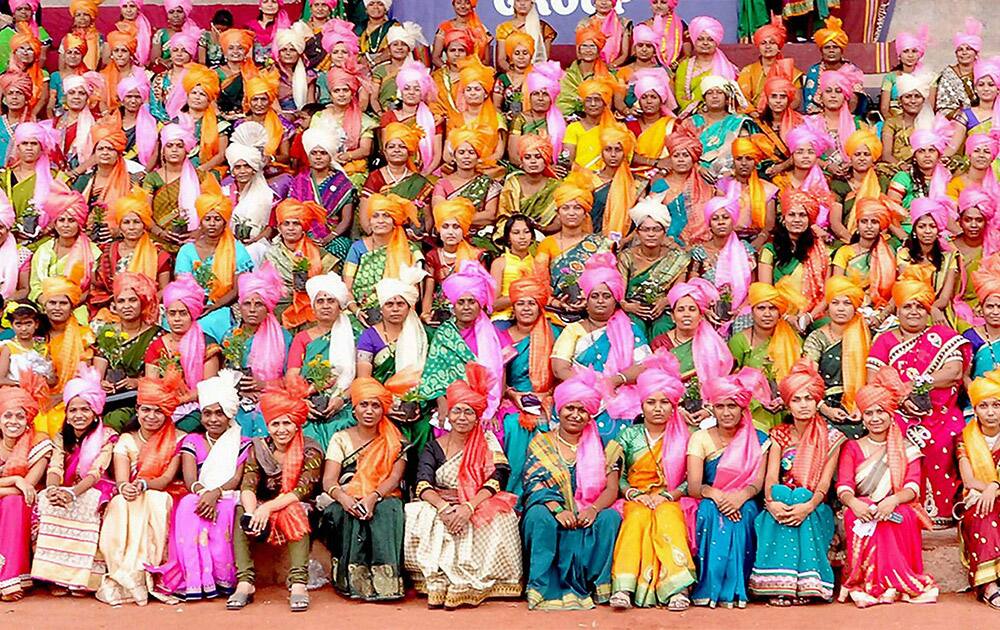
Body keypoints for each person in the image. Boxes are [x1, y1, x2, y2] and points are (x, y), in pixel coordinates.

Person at [404, 362, 522, 607]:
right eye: (457, 411)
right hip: (443, 502)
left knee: (502, 517)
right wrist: (444, 508)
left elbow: (499, 475)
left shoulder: (487, 441)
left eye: (469, 412)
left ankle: (477, 582)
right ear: (448, 414)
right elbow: (422, 482)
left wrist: (469, 506)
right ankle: (438, 579)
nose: (462, 417)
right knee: (418, 512)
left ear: (477, 416)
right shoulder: (434, 445)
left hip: (477, 500)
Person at [867, 266, 971, 527]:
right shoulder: (884, 341)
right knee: (894, 436)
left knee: (946, 436)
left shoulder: (943, 336)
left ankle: (944, 510)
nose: (913, 312)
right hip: (897, 412)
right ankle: (905, 510)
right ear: (898, 310)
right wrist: (901, 399)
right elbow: (874, 382)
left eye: (920, 307)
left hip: (942, 412)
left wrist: (916, 383)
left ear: (928, 311)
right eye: (907, 306)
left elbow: (954, 372)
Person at [522, 369, 623, 610]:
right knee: (537, 515)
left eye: (582, 410)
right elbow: (534, 484)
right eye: (570, 408)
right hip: (553, 514)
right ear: (560, 409)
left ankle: (597, 584)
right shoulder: (542, 442)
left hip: (588, 515)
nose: (576, 415)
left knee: (610, 517)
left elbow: (612, 489)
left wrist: (593, 510)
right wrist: (558, 510)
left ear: (590, 415)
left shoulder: (605, 446)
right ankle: (540, 586)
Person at [837, 366, 938, 607]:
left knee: (896, 515)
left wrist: (892, 500)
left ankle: (892, 583)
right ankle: (870, 583)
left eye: (880, 412)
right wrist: (854, 503)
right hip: (862, 507)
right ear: (862, 416)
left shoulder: (907, 448)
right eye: (869, 413)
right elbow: (844, 485)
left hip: (897, 506)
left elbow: (913, 487)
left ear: (891, 414)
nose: (875, 418)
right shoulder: (852, 447)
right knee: (858, 516)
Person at [749, 359, 845, 605]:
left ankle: (805, 586)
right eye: (796, 399)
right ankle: (779, 585)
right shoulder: (779, 434)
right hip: (780, 505)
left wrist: (807, 507)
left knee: (800, 495)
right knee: (781, 492)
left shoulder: (832, 437)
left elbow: (823, 487)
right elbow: (771, 478)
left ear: (816, 402)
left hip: (814, 509)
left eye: (808, 399)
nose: (803, 405)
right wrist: (771, 503)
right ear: (788, 404)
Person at [148, 370, 251, 601]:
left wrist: (215, 494)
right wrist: (205, 493)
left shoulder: (242, 443)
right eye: (207, 414)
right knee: (187, 505)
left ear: (229, 416)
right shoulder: (191, 441)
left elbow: (236, 478)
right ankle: (194, 580)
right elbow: (189, 480)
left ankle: (221, 579)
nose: (213, 419)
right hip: (199, 493)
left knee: (226, 509)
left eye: (219, 414)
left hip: (227, 494)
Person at [228, 374, 323, 612]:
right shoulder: (259, 447)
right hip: (262, 505)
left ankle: (298, 583)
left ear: (297, 424)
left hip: (296, 504)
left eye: (287, 423)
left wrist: (267, 508)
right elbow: (248, 484)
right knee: (240, 508)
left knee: (294, 509)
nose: (281, 430)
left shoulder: (311, 449)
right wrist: (252, 513)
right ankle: (245, 582)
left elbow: (302, 491)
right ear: (268, 426)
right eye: (275, 424)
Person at [608, 360, 696, 610]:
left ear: (673, 406)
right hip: (635, 498)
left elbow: (694, 477)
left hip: (673, 497)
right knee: (637, 518)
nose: (658, 409)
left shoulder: (687, 436)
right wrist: (633, 493)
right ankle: (624, 587)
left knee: (668, 518)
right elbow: (616, 474)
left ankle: (677, 589)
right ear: (642, 405)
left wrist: (669, 495)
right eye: (651, 402)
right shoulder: (627, 435)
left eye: (664, 402)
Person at [95, 370, 186, 606]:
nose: (151, 416)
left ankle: (145, 571)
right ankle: (123, 570)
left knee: (155, 500)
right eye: (146, 409)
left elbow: (166, 479)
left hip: (164, 492)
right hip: (134, 493)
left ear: (167, 413)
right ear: (138, 411)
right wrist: (126, 487)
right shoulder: (126, 440)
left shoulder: (178, 439)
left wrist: (143, 485)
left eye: (158, 411)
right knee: (120, 502)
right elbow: (122, 479)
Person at [687, 369, 771, 608]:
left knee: (744, 516)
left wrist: (740, 497)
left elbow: (757, 482)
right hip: (710, 497)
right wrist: (718, 496)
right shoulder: (700, 438)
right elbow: (694, 486)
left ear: (743, 409)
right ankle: (709, 586)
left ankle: (736, 589)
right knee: (709, 513)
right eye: (720, 406)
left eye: (732, 406)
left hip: (745, 500)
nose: (726, 412)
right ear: (712, 408)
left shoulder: (759, 438)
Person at [319, 376, 407, 602]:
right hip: (346, 495)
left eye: (375, 405)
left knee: (386, 511)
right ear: (354, 409)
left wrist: (373, 497)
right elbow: (329, 480)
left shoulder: (396, 441)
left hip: (384, 495)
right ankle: (353, 583)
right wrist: (344, 498)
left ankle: (385, 585)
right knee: (342, 513)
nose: (369, 411)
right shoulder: (340, 439)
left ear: (383, 410)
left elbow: (395, 478)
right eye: (363, 405)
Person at [31, 366, 115, 595]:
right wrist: (52, 489)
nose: (78, 415)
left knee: (89, 501)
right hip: (64, 486)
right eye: (73, 410)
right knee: (44, 501)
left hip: (94, 487)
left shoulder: (107, 436)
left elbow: (97, 471)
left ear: (95, 411)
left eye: (85, 409)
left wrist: (71, 493)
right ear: (66, 415)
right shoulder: (60, 436)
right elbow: (55, 465)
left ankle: (84, 579)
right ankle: (55, 577)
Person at [551, 253, 651, 442]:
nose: (600, 301)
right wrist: (591, 385)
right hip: (581, 394)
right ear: (586, 301)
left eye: (607, 296)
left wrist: (616, 380)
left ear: (616, 300)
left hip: (621, 395)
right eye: (595, 296)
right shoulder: (573, 330)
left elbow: (645, 365)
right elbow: (559, 368)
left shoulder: (629, 328)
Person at [419, 261, 508, 431]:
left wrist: (492, 409)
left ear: (479, 304)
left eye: (471, 302)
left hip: (488, 404)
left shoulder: (494, 334)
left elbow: (501, 375)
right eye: (461, 302)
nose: (466, 307)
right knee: (440, 428)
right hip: (453, 402)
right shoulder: (444, 333)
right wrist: (442, 402)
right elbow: (434, 374)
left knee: (498, 430)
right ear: (454, 305)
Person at [174, 184, 256, 343]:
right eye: (208, 219)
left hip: (224, 307)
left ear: (225, 223)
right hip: (189, 305)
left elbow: (239, 287)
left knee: (208, 324)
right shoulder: (187, 250)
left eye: (217, 219)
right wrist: (193, 306)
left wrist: (214, 306)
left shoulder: (236, 249)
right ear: (201, 222)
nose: (212, 223)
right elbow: (182, 284)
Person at [286, 273, 357, 449]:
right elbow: (292, 376)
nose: (325, 305)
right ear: (313, 307)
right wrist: (302, 402)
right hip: (309, 402)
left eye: (331, 300)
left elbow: (360, 378)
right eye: (320, 301)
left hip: (345, 403)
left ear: (340, 306)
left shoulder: (354, 336)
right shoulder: (302, 338)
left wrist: (341, 398)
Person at [144, 274, 221, 432]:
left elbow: (209, 387)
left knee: (180, 430)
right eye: (172, 314)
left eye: (183, 313)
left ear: (192, 314)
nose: (177, 319)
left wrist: (182, 399)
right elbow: (151, 385)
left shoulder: (207, 344)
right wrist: (166, 401)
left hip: (200, 405)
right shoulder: (157, 346)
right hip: (163, 406)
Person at [0, 375, 54, 601]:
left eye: (20, 416)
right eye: (8, 415)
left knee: (13, 502)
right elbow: (20, 485)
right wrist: (14, 480)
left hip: (26, 505)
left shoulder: (39, 443)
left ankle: (10, 579)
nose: (14, 421)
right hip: (10, 493)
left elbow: (28, 488)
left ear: (28, 420)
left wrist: (19, 485)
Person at [535, 172, 611, 325]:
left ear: (585, 213)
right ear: (558, 213)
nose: (571, 213)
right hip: (555, 313)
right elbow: (539, 283)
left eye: (577, 208)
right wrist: (558, 303)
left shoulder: (601, 244)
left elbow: (608, 281)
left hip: (595, 313)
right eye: (566, 208)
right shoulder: (547, 244)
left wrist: (590, 299)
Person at [729, 282, 804, 431]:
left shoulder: (793, 340)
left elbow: (801, 377)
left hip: (788, 409)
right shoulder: (739, 341)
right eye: (761, 308)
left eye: (773, 308)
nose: (767, 314)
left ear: (780, 312)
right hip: (751, 411)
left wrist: (785, 399)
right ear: (752, 311)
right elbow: (731, 380)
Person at [803, 276, 872, 439]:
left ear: (855, 307)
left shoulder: (867, 335)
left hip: (861, 408)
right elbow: (807, 378)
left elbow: (874, 379)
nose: (841, 308)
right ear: (827, 308)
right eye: (835, 303)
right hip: (824, 406)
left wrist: (862, 407)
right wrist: (825, 408)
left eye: (847, 303)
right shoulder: (817, 338)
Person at [94, 273, 164, 432]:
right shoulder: (107, 333)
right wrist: (101, 383)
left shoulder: (156, 335)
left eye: (132, 300)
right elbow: (97, 374)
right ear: (114, 306)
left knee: (115, 419)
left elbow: (157, 379)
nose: (127, 306)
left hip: (137, 399)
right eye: (121, 301)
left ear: (143, 303)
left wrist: (136, 382)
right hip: (107, 398)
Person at [618, 199, 689, 348]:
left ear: (664, 232)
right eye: (646, 229)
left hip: (662, 309)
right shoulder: (627, 257)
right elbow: (620, 294)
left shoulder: (678, 258)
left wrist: (664, 302)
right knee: (634, 325)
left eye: (656, 229)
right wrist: (628, 306)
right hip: (634, 308)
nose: (651, 234)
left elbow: (678, 291)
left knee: (662, 327)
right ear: (637, 232)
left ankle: (661, 365)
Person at [958, 370, 1000, 608]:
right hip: (977, 499)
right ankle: (989, 585)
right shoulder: (964, 438)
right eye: (984, 406)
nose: (991, 412)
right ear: (974, 409)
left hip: (992, 493)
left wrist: (994, 487)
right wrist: (990, 490)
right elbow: (969, 480)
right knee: (984, 512)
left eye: (997, 405)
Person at [265, 199, 338, 327]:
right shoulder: (271, 254)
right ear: (279, 228)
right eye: (286, 224)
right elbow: (265, 287)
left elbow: (333, 285)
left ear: (303, 227)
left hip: (313, 309)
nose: (291, 228)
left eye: (296, 224)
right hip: (279, 309)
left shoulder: (319, 253)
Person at [936, 18, 982, 120]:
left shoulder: (984, 72)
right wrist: (964, 116)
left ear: (976, 53)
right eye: (960, 50)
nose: (964, 53)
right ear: (956, 54)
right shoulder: (948, 75)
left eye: (969, 49)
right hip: (955, 122)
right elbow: (943, 108)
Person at [802, 16, 849, 115]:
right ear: (821, 51)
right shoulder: (814, 71)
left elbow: (856, 103)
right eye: (827, 47)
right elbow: (809, 102)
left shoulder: (851, 70)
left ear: (841, 50)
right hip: (817, 117)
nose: (831, 50)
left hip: (847, 117)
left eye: (835, 47)